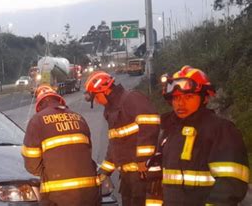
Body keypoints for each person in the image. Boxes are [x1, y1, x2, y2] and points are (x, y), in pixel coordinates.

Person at [159, 65, 249, 205]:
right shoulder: (169, 130)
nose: (180, 103)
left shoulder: (221, 130)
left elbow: (230, 184)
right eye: (176, 98)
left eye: (188, 96)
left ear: (205, 98)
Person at [84, 71, 161, 206]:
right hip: (127, 176)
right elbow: (114, 144)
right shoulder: (111, 110)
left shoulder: (132, 99)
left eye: (96, 97)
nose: (96, 102)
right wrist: (104, 171)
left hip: (142, 175)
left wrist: (143, 159)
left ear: (104, 91)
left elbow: (150, 124)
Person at [22, 85, 100, 206]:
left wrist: (50, 171)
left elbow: (32, 165)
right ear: (59, 100)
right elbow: (87, 152)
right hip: (89, 194)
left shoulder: (37, 121)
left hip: (58, 197)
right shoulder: (79, 118)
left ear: (40, 104)